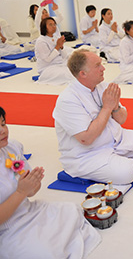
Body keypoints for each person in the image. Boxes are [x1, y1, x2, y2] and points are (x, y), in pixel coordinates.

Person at [0, 106, 101, 259]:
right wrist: (21, 192)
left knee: (72, 210)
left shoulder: (11, 148)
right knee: (44, 254)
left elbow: (31, 191)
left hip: (28, 211)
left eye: (3, 124)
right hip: (6, 229)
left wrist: (32, 184)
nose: (3, 131)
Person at [53, 50, 133, 185]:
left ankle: (117, 157)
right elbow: (86, 138)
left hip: (117, 139)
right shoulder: (68, 100)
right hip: (88, 153)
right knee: (128, 172)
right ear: (83, 74)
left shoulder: (103, 87)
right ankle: (114, 161)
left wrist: (115, 106)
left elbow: (122, 119)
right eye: (98, 65)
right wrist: (107, 108)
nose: (103, 68)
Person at [34, 17, 74, 85]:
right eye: (50, 25)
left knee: (77, 69)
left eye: (54, 24)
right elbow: (47, 59)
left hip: (60, 64)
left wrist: (61, 47)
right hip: (47, 69)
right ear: (44, 27)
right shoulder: (41, 41)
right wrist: (57, 46)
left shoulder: (55, 38)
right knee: (70, 75)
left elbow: (64, 56)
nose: (53, 26)